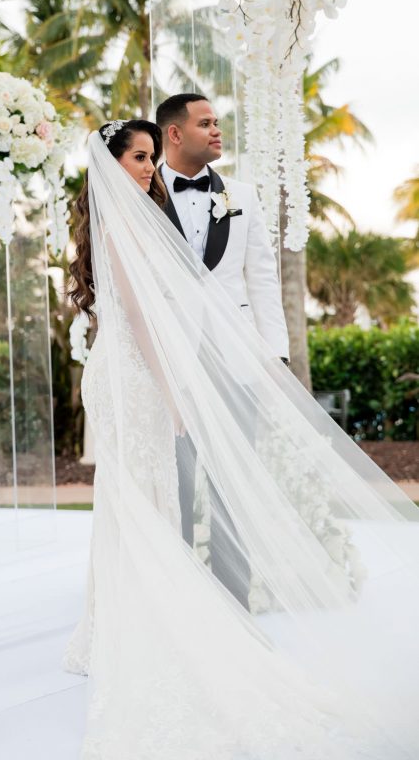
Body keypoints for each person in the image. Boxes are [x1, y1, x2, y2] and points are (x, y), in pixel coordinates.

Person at [66, 118, 419, 760]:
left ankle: (123, 620)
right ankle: (138, 623)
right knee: (139, 494)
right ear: (110, 161)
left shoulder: (125, 218)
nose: (147, 169)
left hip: (130, 369)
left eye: (150, 157)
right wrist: (175, 388)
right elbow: (141, 315)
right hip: (138, 375)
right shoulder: (122, 222)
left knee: (136, 494)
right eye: (138, 157)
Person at [156, 92, 287, 602]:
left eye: (218, 122)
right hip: (167, 359)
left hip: (235, 359)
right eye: (205, 122)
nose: (217, 131)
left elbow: (263, 278)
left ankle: (235, 605)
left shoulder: (244, 195)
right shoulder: (142, 194)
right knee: (174, 482)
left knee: (234, 484)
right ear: (174, 132)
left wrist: (273, 355)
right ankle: (179, 603)